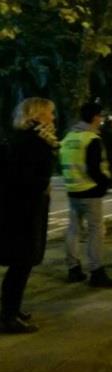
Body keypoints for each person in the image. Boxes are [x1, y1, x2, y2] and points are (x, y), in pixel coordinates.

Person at [0, 98, 59, 334]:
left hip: (17, 208)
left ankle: (11, 309)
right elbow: (27, 177)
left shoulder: (21, 139)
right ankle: (9, 315)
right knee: (21, 262)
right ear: (38, 115)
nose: (53, 118)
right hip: (24, 210)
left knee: (20, 263)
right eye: (50, 114)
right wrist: (42, 184)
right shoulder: (35, 142)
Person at [59, 102, 112, 288]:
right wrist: (105, 184)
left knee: (73, 230)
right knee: (96, 231)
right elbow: (94, 168)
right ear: (95, 117)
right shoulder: (91, 139)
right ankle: (97, 271)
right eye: (100, 116)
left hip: (73, 189)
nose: (101, 119)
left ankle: (73, 268)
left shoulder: (69, 137)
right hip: (90, 190)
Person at [99, 114, 112, 188]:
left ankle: (110, 183)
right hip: (111, 152)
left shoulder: (101, 130)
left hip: (104, 152)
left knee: (108, 168)